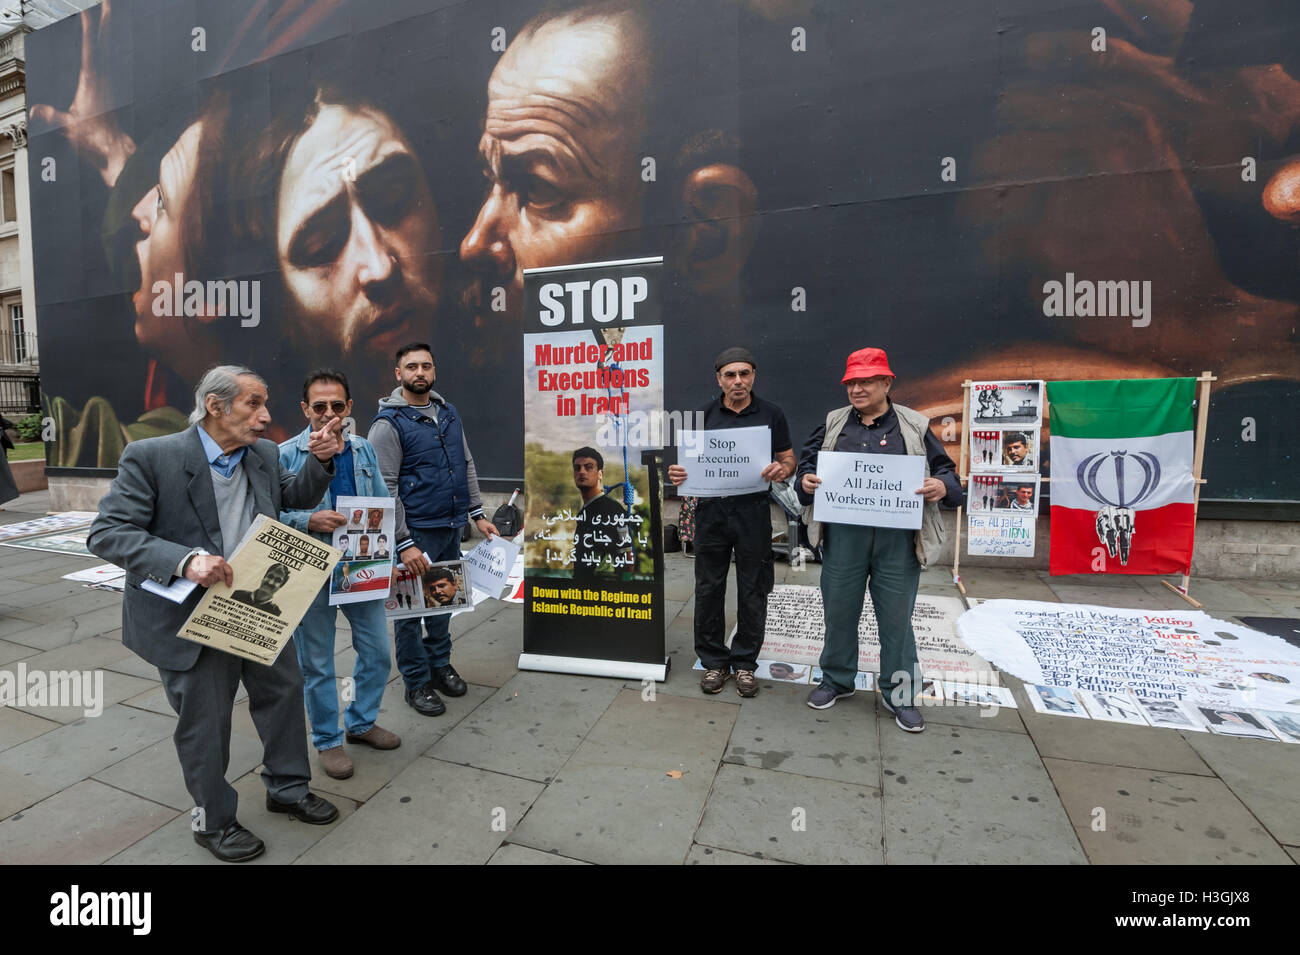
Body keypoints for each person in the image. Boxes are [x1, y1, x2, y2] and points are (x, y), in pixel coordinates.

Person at [87, 365, 343, 863]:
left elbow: (292, 497)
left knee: (285, 694)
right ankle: (214, 821)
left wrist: (321, 462)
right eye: (254, 403)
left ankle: (287, 788)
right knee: (205, 722)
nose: (266, 416)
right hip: (186, 616)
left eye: (265, 403)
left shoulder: (262, 454)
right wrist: (185, 561)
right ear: (216, 406)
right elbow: (108, 533)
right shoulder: (151, 456)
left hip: (257, 607)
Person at [797, 348, 961, 733]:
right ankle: (836, 680)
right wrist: (805, 481)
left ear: (887, 382)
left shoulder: (915, 425)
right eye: (852, 382)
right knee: (838, 610)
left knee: (897, 620)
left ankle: (900, 694)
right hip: (844, 538)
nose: (857, 388)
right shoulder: (833, 423)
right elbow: (807, 468)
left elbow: (947, 473)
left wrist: (942, 485)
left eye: (866, 381)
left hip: (898, 541)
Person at [280, 369, 401, 781]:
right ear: (305, 409)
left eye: (336, 405)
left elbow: (383, 504)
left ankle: (362, 722)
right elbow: (268, 513)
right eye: (319, 406)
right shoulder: (285, 454)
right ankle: (328, 741)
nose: (328, 413)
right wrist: (307, 518)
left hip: (361, 566)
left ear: (349, 407)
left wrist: (392, 555)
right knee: (317, 663)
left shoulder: (364, 450)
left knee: (378, 652)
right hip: (311, 569)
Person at [369, 343, 498, 717]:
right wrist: (403, 542)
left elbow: (466, 462)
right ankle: (416, 682)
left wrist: (477, 513)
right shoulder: (387, 424)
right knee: (409, 613)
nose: (420, 372)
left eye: (426, 365)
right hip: (415, 534)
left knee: (445, 602)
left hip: (450, 526)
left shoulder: (447, 412)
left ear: (434, 371)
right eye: (411, 367)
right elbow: (385, 487)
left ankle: (439, 665)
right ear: (399, 374)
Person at [667, 347, 794, 698]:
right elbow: (685, 468)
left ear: (753, 375)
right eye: (730, 375)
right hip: (711, 512)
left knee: (754, 587)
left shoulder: (771, 414)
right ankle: (713, 661)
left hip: (753, 511)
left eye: (745, 373)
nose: (738, 381)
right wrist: (678, 473)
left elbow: (788, 458)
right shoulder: (701, 416)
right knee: (709, 587)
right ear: (718, 379)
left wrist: (783, 469)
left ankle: (745, 664)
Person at [571, 447, 633, 579]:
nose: (581, 472)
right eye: (577, 468)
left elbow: (628, 557)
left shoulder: (614, 510)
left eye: (588, 467)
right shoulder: (585, 511)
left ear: (600, 474)